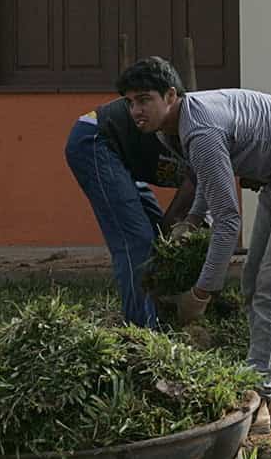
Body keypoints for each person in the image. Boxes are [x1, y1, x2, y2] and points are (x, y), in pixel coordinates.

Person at [118, 57, 271, 434]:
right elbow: (212, 179)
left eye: (144, 99)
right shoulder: (169, 130)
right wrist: (192, 219)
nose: (136, 110)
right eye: (130, 102)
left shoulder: (199, 130)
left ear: (171, 95)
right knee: (254, 282)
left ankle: (259, 394)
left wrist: (202, 291)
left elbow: (228, 221)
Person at [65, 94, 195, 328]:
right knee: (138, 241)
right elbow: (179, 214)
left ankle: (159, 314)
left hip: (124, 156)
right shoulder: (205, 143)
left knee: (156, 238)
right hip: (96, 138)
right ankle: (140, 332)